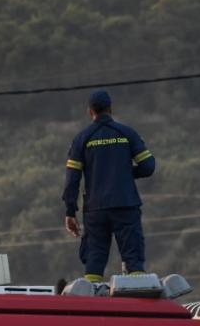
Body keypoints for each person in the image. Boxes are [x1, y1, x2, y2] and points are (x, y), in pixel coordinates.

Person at [62, 89, 155, 283]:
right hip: (125, 205)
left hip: (95, 210)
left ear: (90, 111)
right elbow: (148, 167)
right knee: (133, 261)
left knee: (94, 261)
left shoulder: (82, 139)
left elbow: (72, 179)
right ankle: (138, 303)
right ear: (110, 108)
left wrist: (70, 211)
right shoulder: (127, 133)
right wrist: (124, 174)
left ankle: (93, 305)